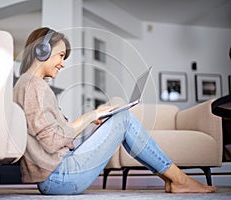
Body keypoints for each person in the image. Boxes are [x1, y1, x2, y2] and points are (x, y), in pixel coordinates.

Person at [13, 27, 216, 195]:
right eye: (60, 55)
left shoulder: (30, 85)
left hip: (57, 173)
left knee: (119, 118)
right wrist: (88, 116)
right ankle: (179, 179)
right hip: (59, 177)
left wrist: (93, 121)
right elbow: (52, 141)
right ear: (43, 51)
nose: (63, 63)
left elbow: (51, 135)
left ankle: (172, 180)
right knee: (124, 119)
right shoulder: (32, 86)